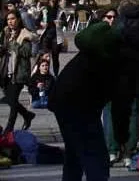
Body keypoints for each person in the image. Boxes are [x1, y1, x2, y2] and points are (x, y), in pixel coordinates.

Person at [48, 16, 124, 180]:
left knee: (74, 154)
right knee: (95, 157)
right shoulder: (109, 53)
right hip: (79, 106)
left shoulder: (92, 51)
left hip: (65, 100)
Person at [1, 10, 35, 133]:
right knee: (10, 99)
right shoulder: (5, 33)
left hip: (19, 73)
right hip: (6, 71)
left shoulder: (25, 34)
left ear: (19, 20)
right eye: (8, 19)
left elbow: (27, 52)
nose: (10, 21)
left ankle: (8, 130)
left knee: (13, 101)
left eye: (13, 18)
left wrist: (14, 44)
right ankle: (27, 115)